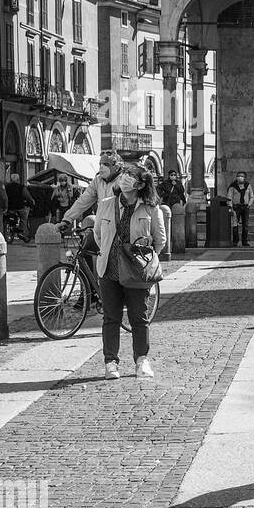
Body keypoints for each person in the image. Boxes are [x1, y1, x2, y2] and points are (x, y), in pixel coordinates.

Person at [80, 162, 166, 380]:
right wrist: (111, 251)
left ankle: (141, 360)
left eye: (130, 175)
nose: (124, 178)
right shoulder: (107, 204)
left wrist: (144, 260)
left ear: (139, 184)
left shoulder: (151, 208)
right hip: (109, 269)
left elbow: (160, 240)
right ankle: (111, 362)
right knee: (111, 318)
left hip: (137, 272)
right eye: (124, 174)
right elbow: (98, 233)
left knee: (139, 317)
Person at [63, 151, 126, 227]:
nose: (101, 167)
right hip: (100, 228)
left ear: (116, 167)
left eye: (106, 164)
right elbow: (83, 201)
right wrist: (67, 219)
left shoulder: (124, 180)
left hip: (118, 227)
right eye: (100, 164)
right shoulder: (97, 180)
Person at [4, 170, 34, 242]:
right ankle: (22, 231)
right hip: (19, 207)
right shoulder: (21, 187)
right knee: (24, 218)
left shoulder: (6, 187)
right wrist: (32, 201)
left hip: (9, 207)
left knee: (5, 219)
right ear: (18, 180)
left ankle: (7, 233)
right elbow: (27, 196)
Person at [227, 171, 254, 247]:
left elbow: (252, 196)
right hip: (236, 207)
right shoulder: (233, 186)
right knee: (235, 224)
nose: (240, 177)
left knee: (245, 225)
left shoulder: (248, 186)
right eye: (238, 176)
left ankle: (244, 241)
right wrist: (231, 207)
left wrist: (249, 204)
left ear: (244, 178)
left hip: (245, 207)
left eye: (241, 176)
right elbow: (229, 197)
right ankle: (235, 241)